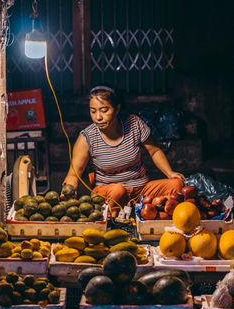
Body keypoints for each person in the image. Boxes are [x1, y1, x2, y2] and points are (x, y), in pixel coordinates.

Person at [60, 85, 185, 217]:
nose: (98, 117)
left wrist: (170, 173)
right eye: (93, 111)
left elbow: (154, 151)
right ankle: (112, 217)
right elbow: (74, 173)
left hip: (141, 190)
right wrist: (69, 190)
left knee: (177, 184)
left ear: (117, 108)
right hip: (110, 193)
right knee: (118, 190)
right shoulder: (87, 138)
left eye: (104, 110)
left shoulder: (135, 124)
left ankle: (147, 212)